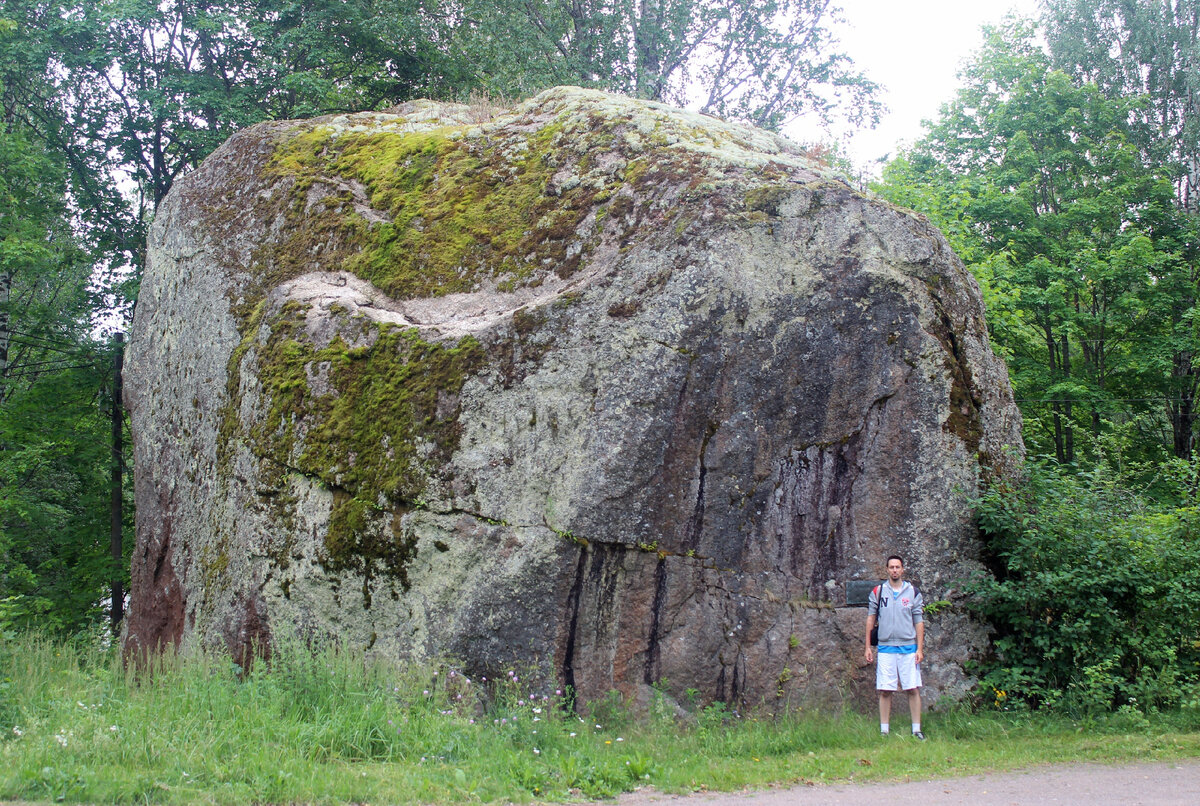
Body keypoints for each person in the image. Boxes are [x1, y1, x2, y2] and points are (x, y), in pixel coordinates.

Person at [864, 554, 925, 739]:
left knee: (912, 688)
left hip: (908, 647)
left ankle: (916, 729)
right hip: (886, 648)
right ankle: (884, 730)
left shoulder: (913, 592)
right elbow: (870, 619)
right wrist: (867, 646)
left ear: (903, 569)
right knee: (885, 689)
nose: (895, 570)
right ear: (887, 569)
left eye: (898, 567)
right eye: (891, 567)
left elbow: (919, 622)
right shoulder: (878, 592)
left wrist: (919, 649)